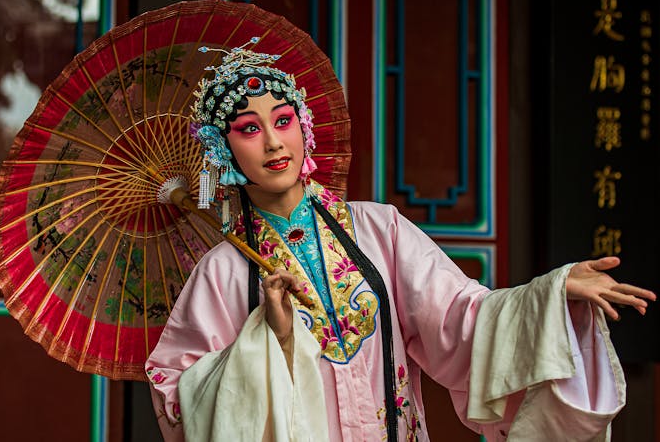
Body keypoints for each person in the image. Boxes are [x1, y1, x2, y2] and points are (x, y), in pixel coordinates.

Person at [145, 38, 655, 441]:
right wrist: (269, 341)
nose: (275, 142)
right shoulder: (223, 270)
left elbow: (459, 318)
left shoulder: (378, 230)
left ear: (304, 126)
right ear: (219, 148)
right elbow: (177, 397)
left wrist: (550, 296)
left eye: (282, 120)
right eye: (248, 129)